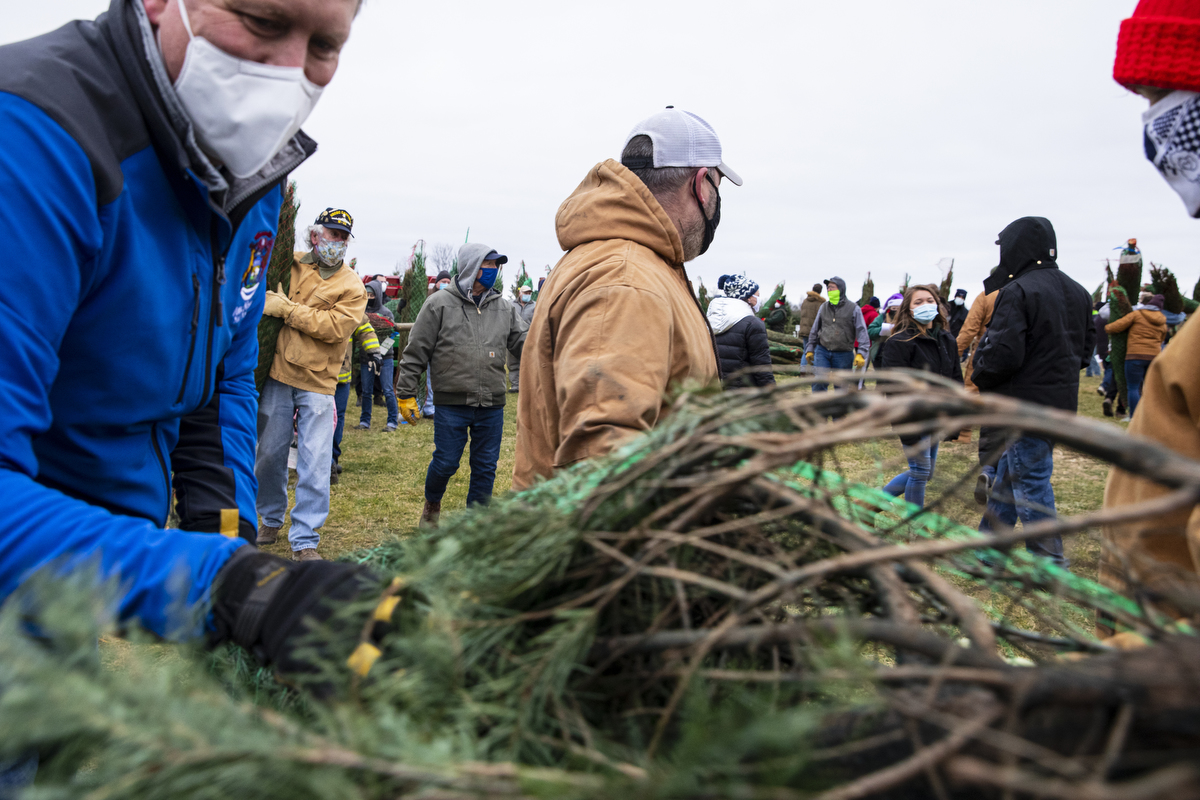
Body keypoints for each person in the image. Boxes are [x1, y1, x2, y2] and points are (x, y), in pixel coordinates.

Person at [0, 0, 381, 728]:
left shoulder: (252, 177)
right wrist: (228, 586)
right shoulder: (32, 137)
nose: (287, 74)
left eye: (324, 45)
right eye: (262, 22)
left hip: (66, 589)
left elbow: (224, 358)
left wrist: (225, 527)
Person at [511, 107, 732, 489]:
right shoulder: (625, 281)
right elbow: (603, 455)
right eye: (719, 188)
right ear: (701, 184)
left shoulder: (640, 265)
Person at [971, 216, 1094, 570]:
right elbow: (1085, 353)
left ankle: (1051, 564)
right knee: (1010, 480)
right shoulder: (1079, 291)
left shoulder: (1019, 290)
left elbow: (1002, 354)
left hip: (1023, 405)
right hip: (1059, 403)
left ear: (1018, 248)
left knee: (1030, 485)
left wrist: (981, 373)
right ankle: (987, 554)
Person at [256, 208, 368, 560]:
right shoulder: (289, 263)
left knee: (315, 461)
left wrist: (287, 310)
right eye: (331, 234)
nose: (337, 242)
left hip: (320, 381)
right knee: (269, 456)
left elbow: (335, 328)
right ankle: (271, 519)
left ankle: (305, 539)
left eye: (342, 237)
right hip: (277, 375)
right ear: (315, 234)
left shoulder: (352, 286)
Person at [396, 244, 528, 526]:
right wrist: (406, 393)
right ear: (472, 266)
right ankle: (432, 505)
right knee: (445, 462)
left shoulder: (503, 308)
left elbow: (527, 344)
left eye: (496, 266)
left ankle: (474, 528)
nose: (494, 271)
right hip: (452, 401)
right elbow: (416, 349)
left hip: (491, 403)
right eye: (488, 265)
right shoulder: (439, 304)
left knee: (485, 468)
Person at [880, 286, 963, 507]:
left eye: (929, 300)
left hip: (937, 416)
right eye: (918, 302)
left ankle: (870, 504)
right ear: (908, 309)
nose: (925, 305)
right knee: (920, 471)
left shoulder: (947, 340)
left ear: (938, 304)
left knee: (927, 473)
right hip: (913, 418)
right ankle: (914, 528)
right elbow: (893, 388)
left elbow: (955, 380)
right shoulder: (899, 342)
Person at [954, 285, 1000, 500]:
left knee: (971, 393)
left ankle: (963, 434)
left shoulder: (986, 295)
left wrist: (954, 353)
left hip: (985, 352)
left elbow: (970, 329)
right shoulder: (1027, 291)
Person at [332, 316, 381, 483]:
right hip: (317, 376)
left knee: (337, 417)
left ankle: (332, 459)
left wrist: (374, 350)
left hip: (341, 375)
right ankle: (322, 461)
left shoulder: (348, 302)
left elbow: (364, 327)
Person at [1104, 292, 1167, 418]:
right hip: (1154, 356)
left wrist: (1106, 328)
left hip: (1135, 355)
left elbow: (1117, 326)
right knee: (1150, 389)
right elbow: (1162, 339)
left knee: (1133, 387)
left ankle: (1134, 417)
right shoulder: (1162, 320)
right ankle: (1149, 417)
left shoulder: (1137, 314)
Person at [708, 274, 775, 388]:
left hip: (714, 388)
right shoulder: (753, 324)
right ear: (748, 297)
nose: (759, 299)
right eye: (757, 295)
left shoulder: (709, 320)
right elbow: (761, 366)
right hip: (743, 391)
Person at [804, 276, 870, 392]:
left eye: (832, 287)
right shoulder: (823, 307)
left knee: (841, 385)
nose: (829, 290)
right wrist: (810, 348)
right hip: (823, 350)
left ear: (841, 289)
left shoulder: (854, 309)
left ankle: (839, 409)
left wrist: (861, 353)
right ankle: (818, 407)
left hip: (843, 353)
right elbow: (815, 329)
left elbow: (862, 332)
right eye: (828, 288)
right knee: (819, 381)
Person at [359, 280, 400, 431]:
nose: (369, 297)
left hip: (385, 359)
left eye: (372, 294)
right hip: (366, 358)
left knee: (388, 389)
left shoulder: (386, 313)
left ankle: (392, 422)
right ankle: (364, 422)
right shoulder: (361, 313)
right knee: (366, 390)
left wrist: (380, 352)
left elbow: (393, 334)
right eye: (367, 294)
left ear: (377, 295)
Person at [508, 281, 537, 393]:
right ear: (520, 293)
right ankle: (515, 385)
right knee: (513, 362)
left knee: (529, 362)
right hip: (513, 338)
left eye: (529, 293)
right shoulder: (511, 304)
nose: (527, 294)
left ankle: (529, 385)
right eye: (525, 292)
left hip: (530, 337)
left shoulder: (535, 306)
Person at [869, 293, 904, 369]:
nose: (895, 311)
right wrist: (882, 330)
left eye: (898, 309)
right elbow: (870, 331)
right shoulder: (882, 317)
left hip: (900, 354)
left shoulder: (906, 318)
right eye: (894, 308)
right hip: (880, 354)